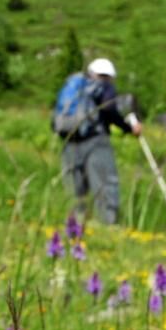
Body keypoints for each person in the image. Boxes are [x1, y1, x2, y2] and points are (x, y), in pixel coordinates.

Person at [60, 58, 141, 224]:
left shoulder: (74, 87)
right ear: (110, 76)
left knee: (75, 189)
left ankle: (75, 225)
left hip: (69, 140)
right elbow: (109, 109)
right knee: (105, 184)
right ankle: (108, 223)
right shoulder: (105, 87)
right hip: (96, 140)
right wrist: (128, 128)